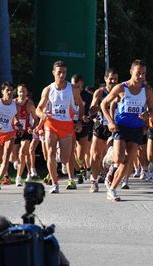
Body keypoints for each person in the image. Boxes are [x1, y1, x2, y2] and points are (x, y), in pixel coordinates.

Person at [100, 59, 153, 201]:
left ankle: (112, 189)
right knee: (119, 158)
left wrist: (147, 115)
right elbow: (103, 104)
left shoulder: (147, 90)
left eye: (143, 73)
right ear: (131, 72)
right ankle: (112, 166)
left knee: (128, 162)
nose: (140, 76)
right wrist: (110, 122)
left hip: (136, 128)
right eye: (138, 73)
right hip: (121, 126)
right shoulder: (121, 88)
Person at [35, 60, 84, 193]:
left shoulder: (72, 89)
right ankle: (54, 184)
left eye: (64, 73)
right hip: (51, 125)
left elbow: (80, 106)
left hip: (67, 126)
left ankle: (59, 156)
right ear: (53, 73)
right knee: (49, 153)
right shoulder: (48, 90)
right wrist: (42, 115)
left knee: (65, 158)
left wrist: (79, 121)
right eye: (59, 73)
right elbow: (38, 109)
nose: (62, 75)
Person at [88, 68, 118, 192]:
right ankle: (94, 181)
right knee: (95, 156)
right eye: (111, 78)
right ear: (105, 79)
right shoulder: (100, 92)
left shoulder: (121, 92)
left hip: (115, 127)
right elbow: (91, 110)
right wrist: (98, 106)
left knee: (114, 156)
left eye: (115, 79)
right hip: (101, 127)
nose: (113, 81)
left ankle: (109, 176)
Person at [14, 84, 38, 186]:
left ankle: (18, 177)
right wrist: (16, 122)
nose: (22, 94)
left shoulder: (30, 104)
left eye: (24, 91)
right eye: (20, 91)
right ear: (17, 92)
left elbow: (36, 119)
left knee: (22, 152)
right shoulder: (13, 103)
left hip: (26, 131)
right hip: (14, 131)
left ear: (26, 92)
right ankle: (27, 171)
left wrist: (32, 128)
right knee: (13, 157)